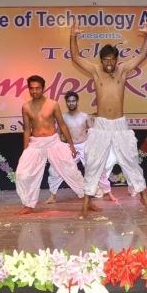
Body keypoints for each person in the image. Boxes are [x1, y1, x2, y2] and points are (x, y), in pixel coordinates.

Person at [70, 19, 147, 217]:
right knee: (93, 163)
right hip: (100, 126)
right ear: (101, 60)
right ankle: (86, 203)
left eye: (112, 59)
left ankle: (144, 198)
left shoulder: (122, 70)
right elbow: (75, 57)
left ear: (117, 59)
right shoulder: (95, 71)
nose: (109, 63)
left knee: (131, 161)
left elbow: (142, 55)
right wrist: (72, 36)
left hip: (119, 125)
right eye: (106, 59)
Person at [15, 75, 85, 214]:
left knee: (71, 170)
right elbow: (27, 130)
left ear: (43, 88)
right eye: (32, 88)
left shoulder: (53, 104)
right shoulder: (26, 107)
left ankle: (87, 200)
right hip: (35, 144)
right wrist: (25, 150)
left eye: (37, 88)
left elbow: (62, 125)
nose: (34, 91)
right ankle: (28, 204)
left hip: (53, 141)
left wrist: (71, 145)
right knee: (22, 174)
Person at [45, 92, 116, 204]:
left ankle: (109, 192)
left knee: (98, 168)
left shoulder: (84, 116)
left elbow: (93, 132)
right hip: (69, 146)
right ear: (66, 103)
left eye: (73, 101)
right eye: (69, 101)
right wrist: (58, 148)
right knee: (55, 170)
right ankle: (53, 196)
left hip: (85, 146)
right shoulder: (63, 117)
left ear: (77, 102)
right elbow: (58, 134)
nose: (71, 103)